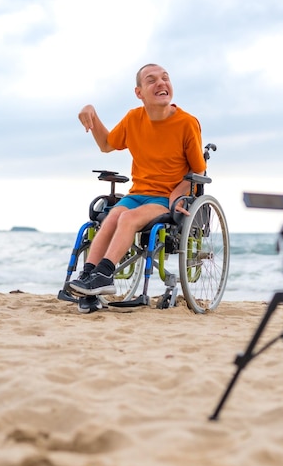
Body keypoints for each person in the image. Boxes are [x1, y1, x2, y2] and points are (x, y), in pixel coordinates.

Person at [69, 63, 207, 312]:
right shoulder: (134, 118)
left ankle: (105, 274)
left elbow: (197, 172)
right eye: (152, 80)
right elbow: (106, 144)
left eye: (165, 78)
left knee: (128, 218)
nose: (161, 83)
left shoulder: (187, 123)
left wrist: (178, 196)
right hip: (138, 193)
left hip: (165, 197)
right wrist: (91, 112)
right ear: (139, 92)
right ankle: (88, 276)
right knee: (113, 217)